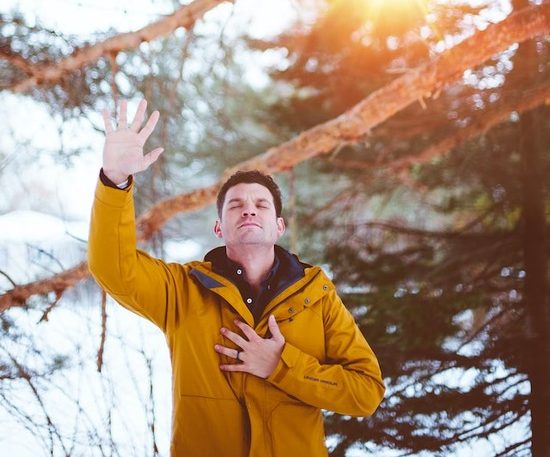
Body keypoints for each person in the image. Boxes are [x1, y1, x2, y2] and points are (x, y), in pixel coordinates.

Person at [88, 99, 385, 457]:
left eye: (261, 204)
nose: (248, 209)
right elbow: (112, 268)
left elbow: (366, 392)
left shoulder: (317, 295)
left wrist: (281, 366)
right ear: (218, 227)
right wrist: (115, 181)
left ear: (279, 227)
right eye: (235, 204)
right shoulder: (182, 291)